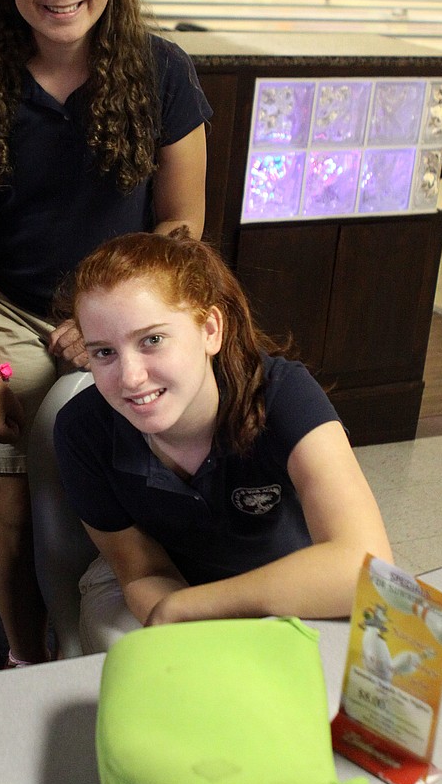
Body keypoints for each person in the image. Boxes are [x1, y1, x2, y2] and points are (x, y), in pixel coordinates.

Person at [0, 0, 212, 666]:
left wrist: (105, 321)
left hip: (121, 307)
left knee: (113, 493)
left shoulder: (161, 70)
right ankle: (27, 659)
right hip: (10, 312)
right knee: (15, 516)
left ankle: (109, 635)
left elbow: (180, 231)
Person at [53, 230, 394, 654]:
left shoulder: (284, 395)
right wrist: (187, 623)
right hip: (168, 588)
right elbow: (141, 571)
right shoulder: (82, 430)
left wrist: (194, 607)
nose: (131, 377)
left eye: (152, 340)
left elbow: (365, 567)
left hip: (288, 583)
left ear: (210, 330)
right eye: (104, 352)